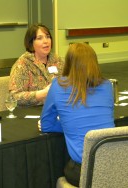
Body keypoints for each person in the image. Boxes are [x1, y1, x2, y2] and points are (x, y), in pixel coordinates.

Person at [39, 43, 115, 186]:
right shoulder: (107, 85)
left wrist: (68, 125)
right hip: (112, 164)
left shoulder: (58, 85)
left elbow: (46, 125)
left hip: (83, 170)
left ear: (68, 62)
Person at [9, 23, 64, 106]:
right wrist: (41, 94)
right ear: (31, 43)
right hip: (33, 110)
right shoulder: (23, 64)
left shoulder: (56, 60)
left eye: (48, 37)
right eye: (40, 38)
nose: (46, 41)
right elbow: (13, 97)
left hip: (57, 108)